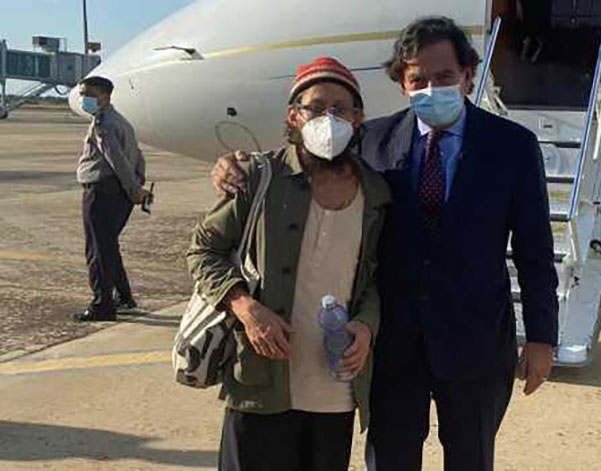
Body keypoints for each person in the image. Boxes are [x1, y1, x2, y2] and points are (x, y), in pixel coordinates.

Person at [212, 17, 559, 471]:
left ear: (468, 74)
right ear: (402, 83)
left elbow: (535, 250)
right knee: (390, 460)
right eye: (418, 80)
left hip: (475, 343)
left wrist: (541, 339)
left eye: (445, 77)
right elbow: (304, 159)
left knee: (472, 458)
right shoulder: (370, 140)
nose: (431, 88)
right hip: (392, 345)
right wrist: (233, 165)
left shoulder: (512, 146)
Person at [187, 57, 390, 471]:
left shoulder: (377, 194)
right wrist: (246, 307)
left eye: (340, 109)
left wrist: (366, 327)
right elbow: (203, 250)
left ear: (358, 118)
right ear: (294, 115)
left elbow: (377, 278)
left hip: (334, 389)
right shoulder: (258, 177)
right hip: (261, 380)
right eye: (315, 107)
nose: (328, 118)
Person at [75, 76, 149, 322]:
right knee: (108, 247)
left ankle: (102, 305)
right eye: (82, 94)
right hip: (116, 193)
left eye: (88, 94)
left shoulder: (104, 124)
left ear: (104, 96)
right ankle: (123, 296)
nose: (83, 99)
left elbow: (116, 160)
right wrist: (136, 185)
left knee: (97, 250)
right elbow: (137, 156)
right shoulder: (121, 121)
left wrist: (134, 189)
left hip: (101, 192)